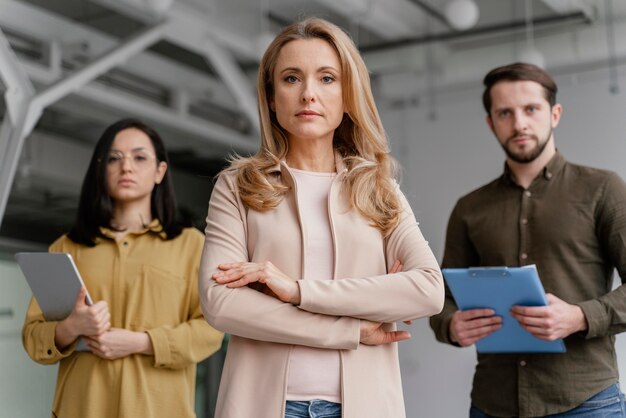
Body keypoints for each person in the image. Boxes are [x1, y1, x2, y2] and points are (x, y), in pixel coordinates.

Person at [198, 17, 444, 418]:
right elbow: (220, 303)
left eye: (327, 78)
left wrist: (295, 290)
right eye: (292, 78)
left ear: (347, 95)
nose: (309, 94)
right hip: (262, 407)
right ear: (272, 97)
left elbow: (429, 290)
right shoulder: (237, 187)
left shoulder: (379, 189)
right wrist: (354, 322)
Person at [429, 62, 626, 417]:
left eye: (531, 109)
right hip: (493, 403)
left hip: (586, 401)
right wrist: (450, 325)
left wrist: (580, 316)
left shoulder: (603, 189)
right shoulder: (469, 208)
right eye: (505, 113)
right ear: (491, 123)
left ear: (554, 114)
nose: (519, 123)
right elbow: (440, 297)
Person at [22, 118, 224, 418]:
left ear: (160, 171)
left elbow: (211, 330)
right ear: (101, 170)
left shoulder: (191, 245)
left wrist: (142, 342)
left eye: (139, 157)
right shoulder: (66, 247)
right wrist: (71, 328)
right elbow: (33, 337)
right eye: (114, 158)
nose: (126, 167)